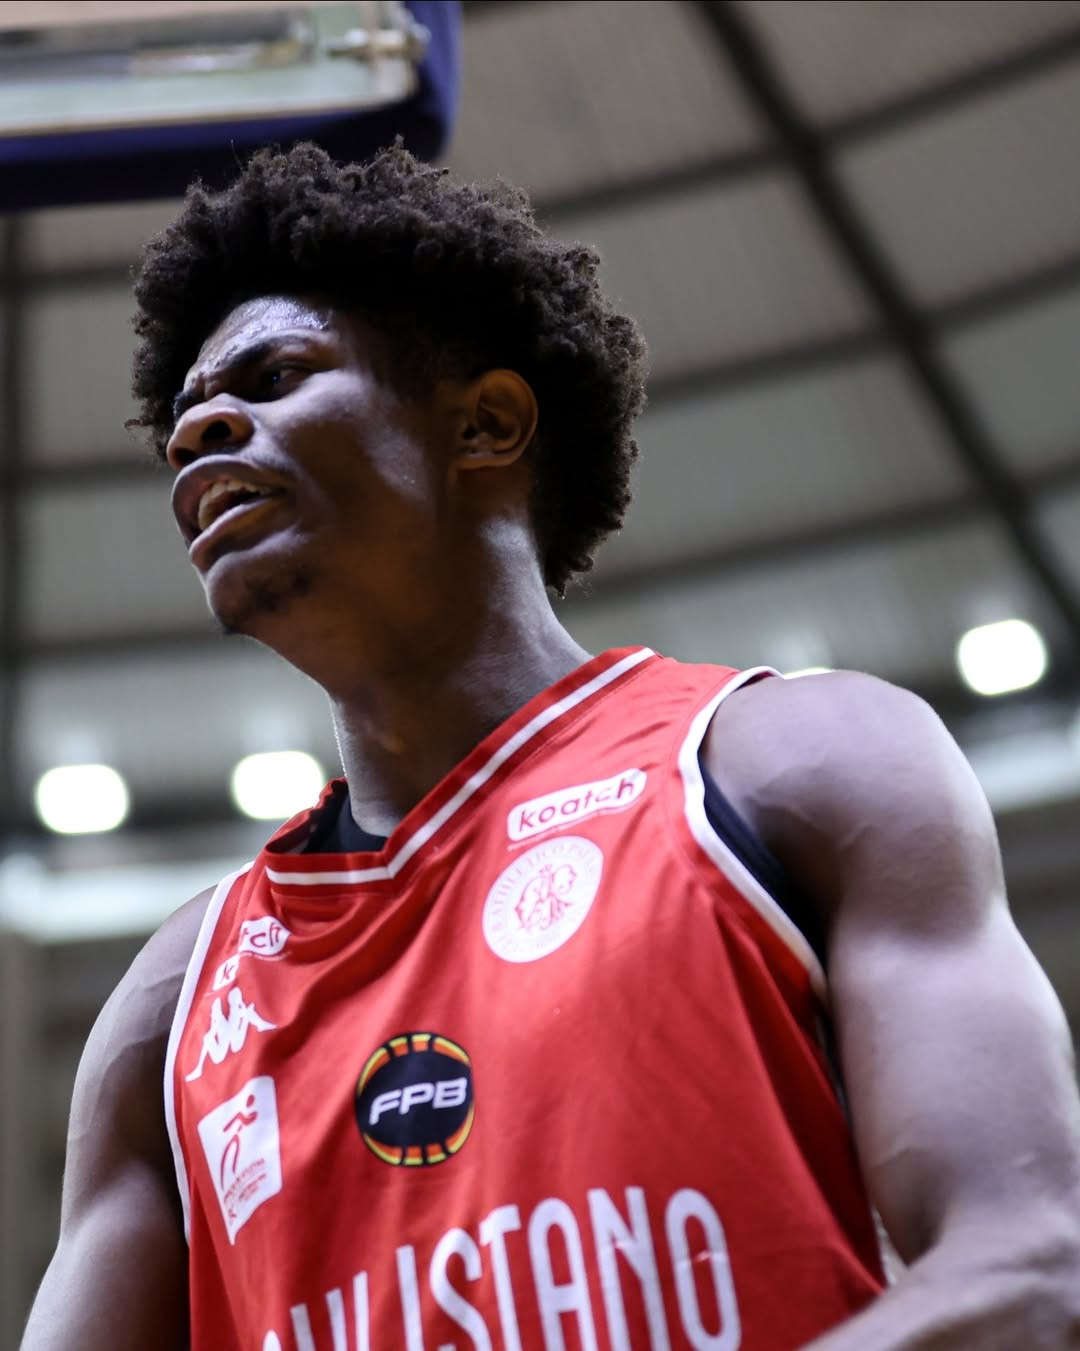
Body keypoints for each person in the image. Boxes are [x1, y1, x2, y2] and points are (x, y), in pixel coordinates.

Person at [20, 142, 1080, 1351]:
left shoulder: (794, 765)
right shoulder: (172, 1004)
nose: (200, 433)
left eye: (275, 377)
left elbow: (1030, 1267)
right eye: (187, 420)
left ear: (485, 423)